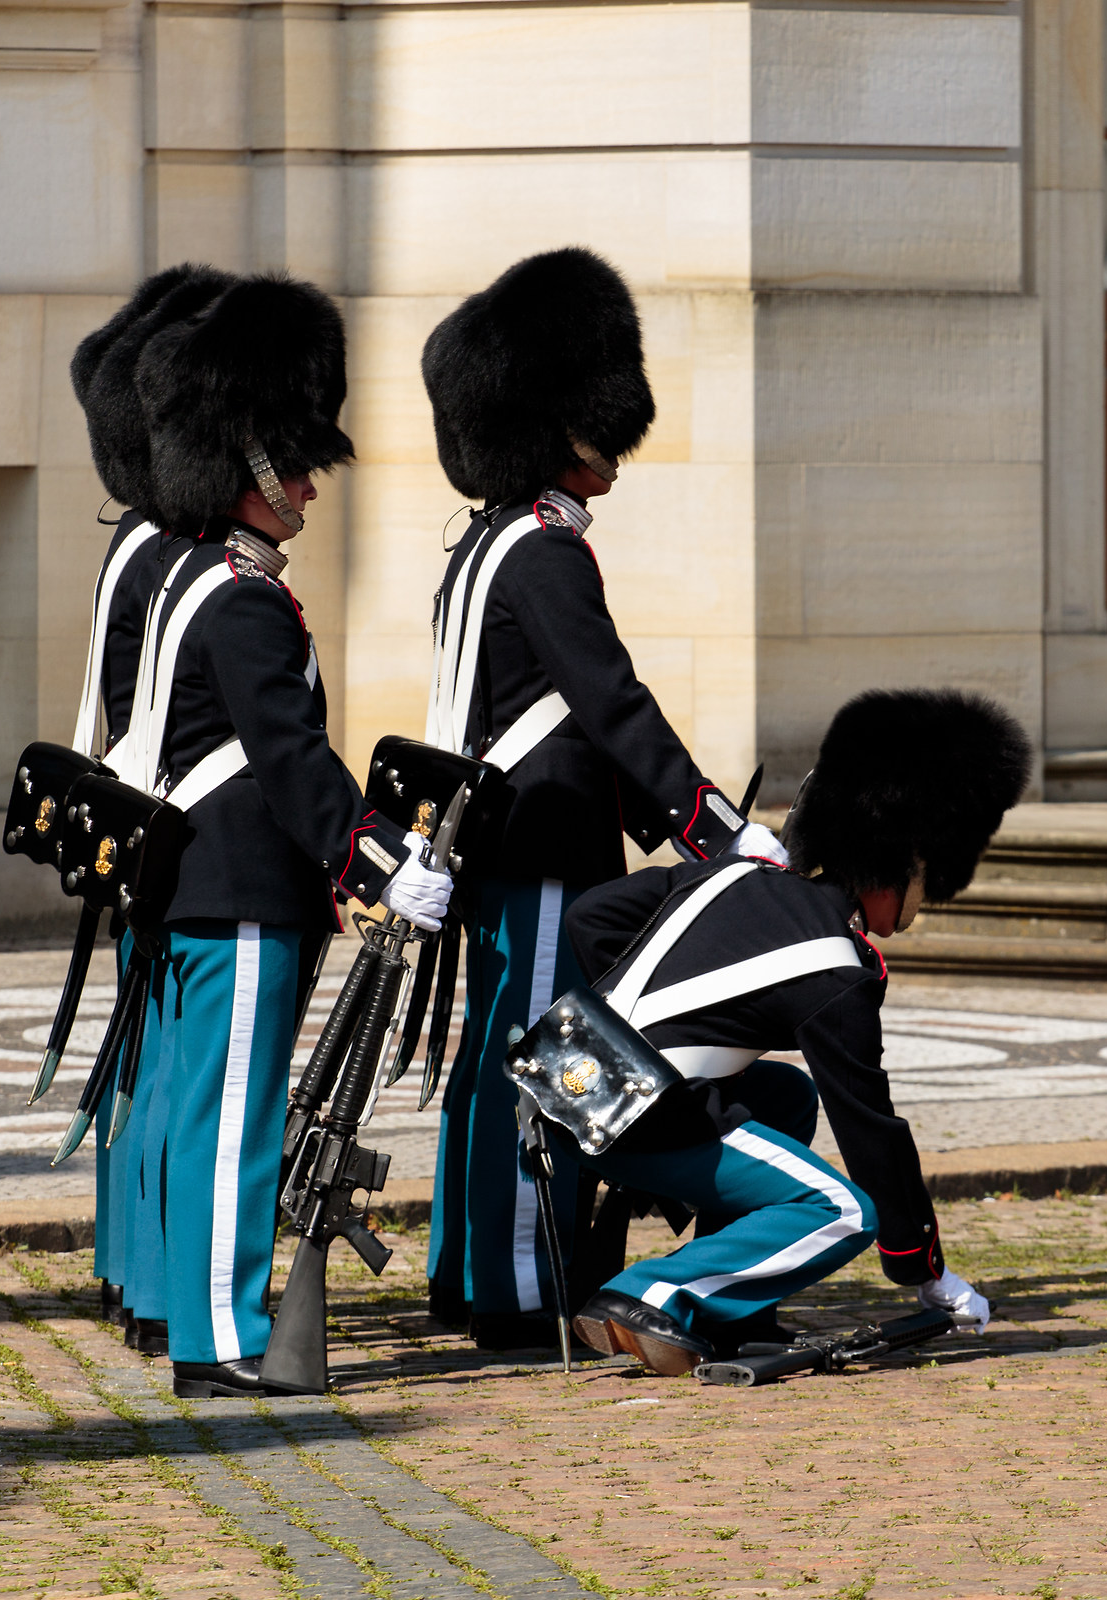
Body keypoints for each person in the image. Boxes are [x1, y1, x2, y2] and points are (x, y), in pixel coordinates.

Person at [417, 247, 785, 1350]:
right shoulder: (543, 554)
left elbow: (579, 716)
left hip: (516, 838)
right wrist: (716, 827)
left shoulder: (493, 543)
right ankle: (519, 1291)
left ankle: (469, 1271)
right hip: (541, 853)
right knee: (543, 1069)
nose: (611, 450)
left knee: (493, 1065)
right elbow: (614, 706)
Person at [114, 271, 455, 1398]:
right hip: (242, 887)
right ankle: (222, 1339)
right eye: (295, 462)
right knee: (237, 1128)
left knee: (201, 1106)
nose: (310, 484)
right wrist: (379, 859)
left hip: (201, 881)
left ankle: (185, 1307)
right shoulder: (243, 598)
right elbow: (290, 758)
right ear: (247, 461)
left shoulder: (191, 576)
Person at [551, 688, 1029, 1374]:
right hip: (639, 1111)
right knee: (843, 1210)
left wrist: (639, 1029)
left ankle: (738, 1309)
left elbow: (593, 919)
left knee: (784, 1097)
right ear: (894, 864)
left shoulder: (732, 879)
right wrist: (927, 1273)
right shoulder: (837, 968)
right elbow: (871, 1128)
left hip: (564, 1080)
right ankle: (653, 1293)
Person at [61, 262, 232, 1355]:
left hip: (150, 828)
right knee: (172, 1080)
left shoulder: (143, 544)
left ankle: (140, 1274)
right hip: (189, 839)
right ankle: (165, 1288)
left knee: (149, 1073)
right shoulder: (183, 561)